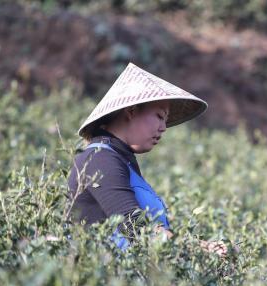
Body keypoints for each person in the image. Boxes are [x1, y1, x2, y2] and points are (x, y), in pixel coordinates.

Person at [68, 62, 227, 256]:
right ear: (132, 111)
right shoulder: (99, 159)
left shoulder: (120, 160)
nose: (163, 127)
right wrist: (201, 248)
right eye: (160, 116)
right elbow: (134, 228)